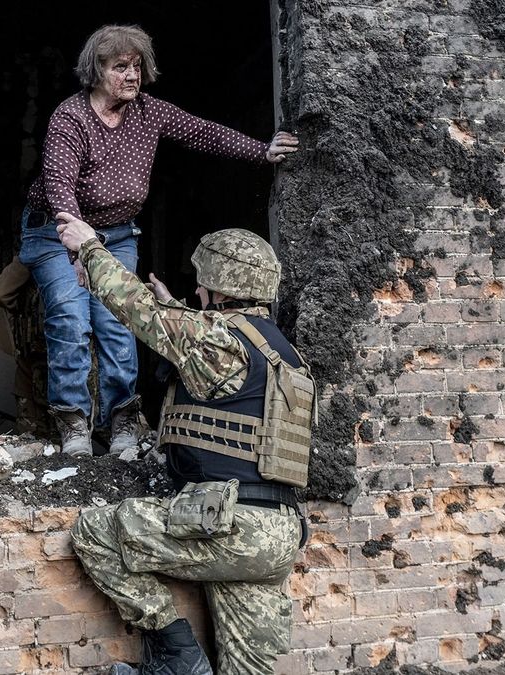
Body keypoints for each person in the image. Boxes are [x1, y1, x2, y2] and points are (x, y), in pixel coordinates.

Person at [19, 24, 299, 457]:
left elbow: (203, 132)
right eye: (119, 67)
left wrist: (260, 150)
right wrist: (79, 248)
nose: (131, 76)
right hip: (58, 232)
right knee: (71, 319)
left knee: (119, 321)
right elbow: (59, 186)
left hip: (116, 233)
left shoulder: (149, 112)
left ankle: (123, 422)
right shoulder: (70, 118)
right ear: (96, 71)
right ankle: (74, 424)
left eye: (136, 67)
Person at [56, 216, 313, 675]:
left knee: (95, 531)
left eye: (201, 288)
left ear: (220, 288)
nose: (196, 295)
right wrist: (175, 307)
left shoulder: (216, 342)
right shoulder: (283, 354)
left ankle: (175, 653)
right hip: (279, 535)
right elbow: (210, 355)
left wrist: (91, 248)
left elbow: (137, 311)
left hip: (230, 526)